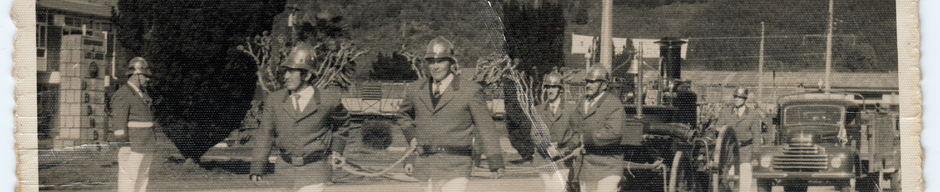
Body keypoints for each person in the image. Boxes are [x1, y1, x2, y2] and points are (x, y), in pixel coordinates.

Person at [398, 36, 504, 192]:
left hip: (456, 165)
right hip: (425, 166)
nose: (435, 66)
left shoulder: (470, 90)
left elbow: (485, 127)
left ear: (451, 63)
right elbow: (403, 116)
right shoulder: (415, 89)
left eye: (441, 61)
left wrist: (495, 161)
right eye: (431, 62)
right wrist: (412, 138)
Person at [248, 42, 347, 192]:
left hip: (315, 172)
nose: (286, 76)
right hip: (284, 172)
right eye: (286, 71)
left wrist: (337, 149)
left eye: (292, 72)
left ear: (307, 75)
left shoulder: (328, 100)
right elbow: (265, 134)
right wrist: (258, 165)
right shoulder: (274, 100)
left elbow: (343, 123)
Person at [570, 67, 628, 192]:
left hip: (607, 167)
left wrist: (585, 139)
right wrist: (567, 146)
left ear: (603, 85)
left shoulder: (614, 105)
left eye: (593, 82)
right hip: (585, 168)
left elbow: (614, 133)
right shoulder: (582, 103)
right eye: (587, 82)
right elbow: (574, 128)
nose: (588, 85)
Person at [110, 57, 157, 192]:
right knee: (128, 182)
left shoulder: (141, 93)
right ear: (136, 75)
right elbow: (119, 125)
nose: (148, 80)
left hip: (145, 144)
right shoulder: (123, 94)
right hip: (132, 146)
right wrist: (124, 146)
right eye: (145, 76)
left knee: (142, 180)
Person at [531, 70, 580, 192]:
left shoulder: (571, 109)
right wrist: (547, 147)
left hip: (563, 158)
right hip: (543, 158)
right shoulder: (539, 110)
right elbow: (534, 133)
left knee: (557, 188)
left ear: (561, 89)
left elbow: (577, 134)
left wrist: (564, 150)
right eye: (548, 87)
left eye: (554, 87)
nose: (550, 90)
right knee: (550, 188)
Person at [710, 87, 763, 190]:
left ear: (745, 99)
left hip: (745, 152)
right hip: (729, 152)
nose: (737, 99)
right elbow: (718, 127)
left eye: (740, 97)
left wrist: (755, 157)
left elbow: (756, 136)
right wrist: (718, 129)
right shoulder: (725, 112)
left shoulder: (753, 114)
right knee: (727, 179)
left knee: (744, 179)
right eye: (735, 97)